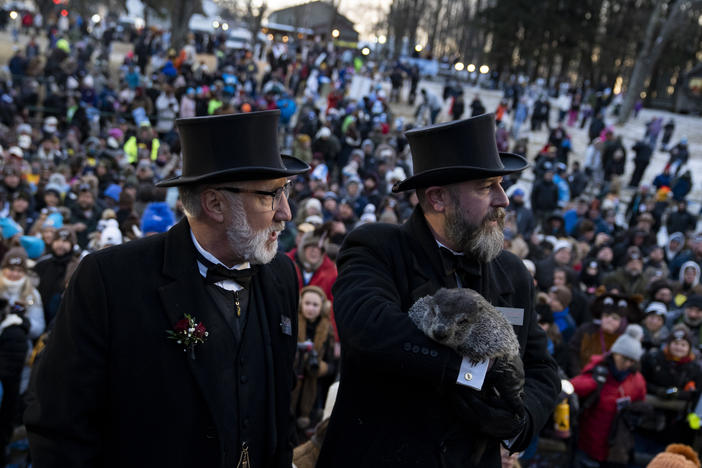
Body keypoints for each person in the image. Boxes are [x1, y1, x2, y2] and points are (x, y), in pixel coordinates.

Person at [24, 110, 311, 467]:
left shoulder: (280, 273)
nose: (286, 211)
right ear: (215, 204)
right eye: (270, 196)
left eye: (286, 191)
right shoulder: (110, 279)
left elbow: (277, 406)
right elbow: (59, 423)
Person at [317, 114, 560, 467]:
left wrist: (519, 423)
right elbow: (368, 326)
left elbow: (541, 366)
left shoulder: (513, 273)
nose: (503, 200)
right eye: (485, 186)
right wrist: (474, 370)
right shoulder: (376, 247)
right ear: (437, 199)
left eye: (501, 185)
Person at [571, 324, 647, 467]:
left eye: (632, 360)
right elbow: (576, 385)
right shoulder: (599, 371)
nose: (627, 363)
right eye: (624, 358)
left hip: (616, 445)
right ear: (615, 353)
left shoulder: (637, 380)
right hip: (589, 439)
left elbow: (640, 403)